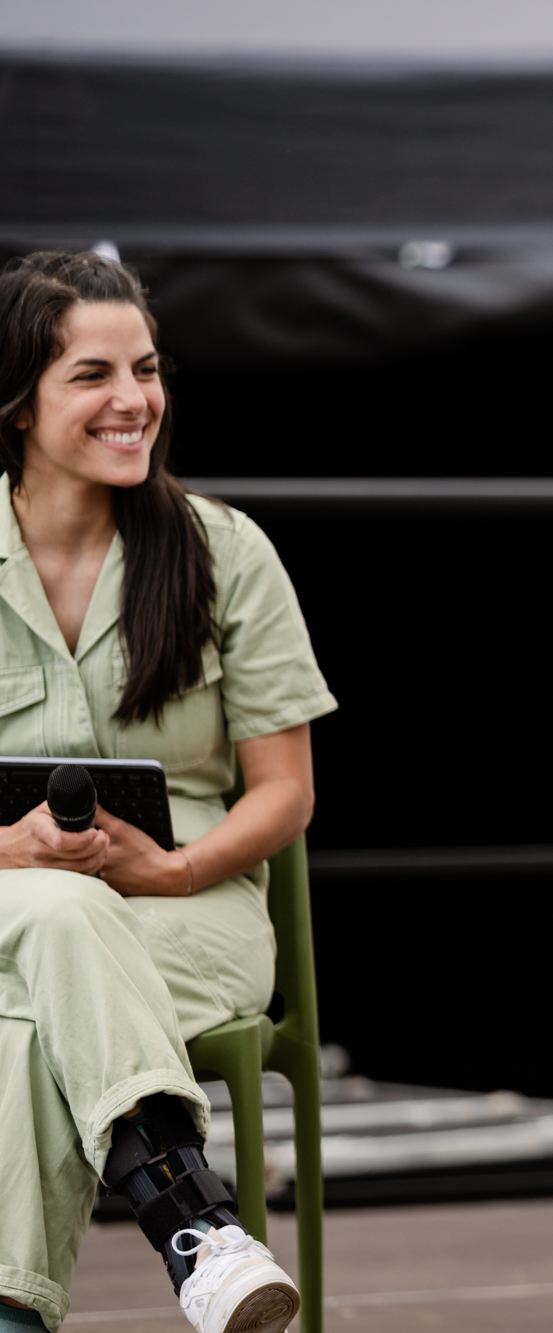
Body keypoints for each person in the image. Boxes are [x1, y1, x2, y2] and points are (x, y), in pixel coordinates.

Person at [0, 253, 336, 1333]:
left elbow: (283, 793)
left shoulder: (225, 553)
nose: (133, 399)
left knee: (20, 1022)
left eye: (144, 369)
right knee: (52, 917)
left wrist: (174, 865)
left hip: (195, 912)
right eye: (92, 374)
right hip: (13, 905)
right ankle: (196, 1228)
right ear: (18, 402)